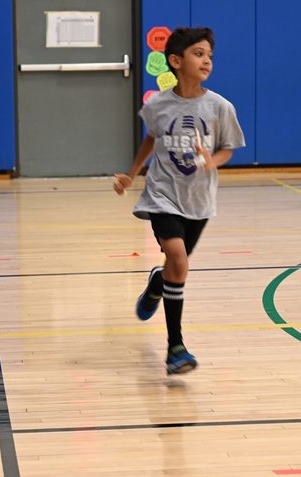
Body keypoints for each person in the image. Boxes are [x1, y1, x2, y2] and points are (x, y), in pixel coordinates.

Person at [114, 27, 245, 375]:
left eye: (209, 56)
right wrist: (132, 172)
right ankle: (176, 348)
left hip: (199, 201)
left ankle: (158, 282)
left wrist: (210, 162)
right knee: (179, 260)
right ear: (176, 60)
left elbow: (227, 148)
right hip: (162, 194)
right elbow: (151, 139)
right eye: (198, 54)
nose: (206, 61)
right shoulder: (158, 104)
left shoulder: (220, 107)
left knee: (175, 268)